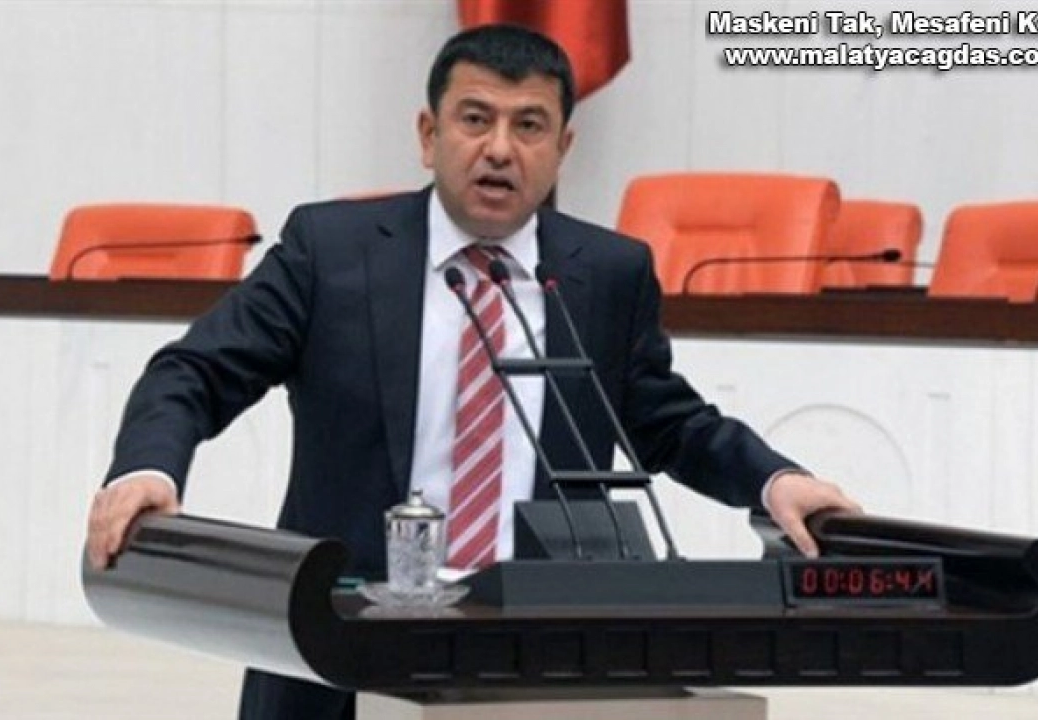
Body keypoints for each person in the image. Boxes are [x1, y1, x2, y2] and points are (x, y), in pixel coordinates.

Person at [85, 23, 861, 720]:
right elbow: (195, 370)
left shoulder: (608, 272)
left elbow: (668, 422)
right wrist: (148, 468)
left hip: (537, 645)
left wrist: (773, 480)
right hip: (344, 636)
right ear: (429, 135)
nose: (499, 149)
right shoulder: (333, 251)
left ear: (563, 148)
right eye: (475, 119)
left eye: (530, 126)